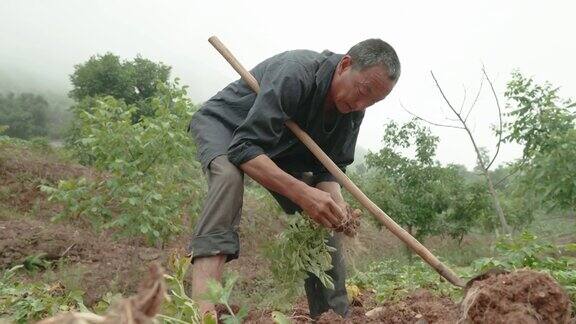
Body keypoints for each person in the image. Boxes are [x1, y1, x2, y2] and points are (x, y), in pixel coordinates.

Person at [187, 38, 400, 318]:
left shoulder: (354, 110)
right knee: (228, 177)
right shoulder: (295, 72)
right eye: (363, 91)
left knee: (325, 214)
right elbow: (243, 148)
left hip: (281, 147)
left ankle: (332, 315)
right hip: (229, 128)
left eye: (373, 101)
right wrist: (303, 194)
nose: (362, 104)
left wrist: (335, 204)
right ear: (345, 65)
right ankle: (201, 308)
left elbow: (328, 168)